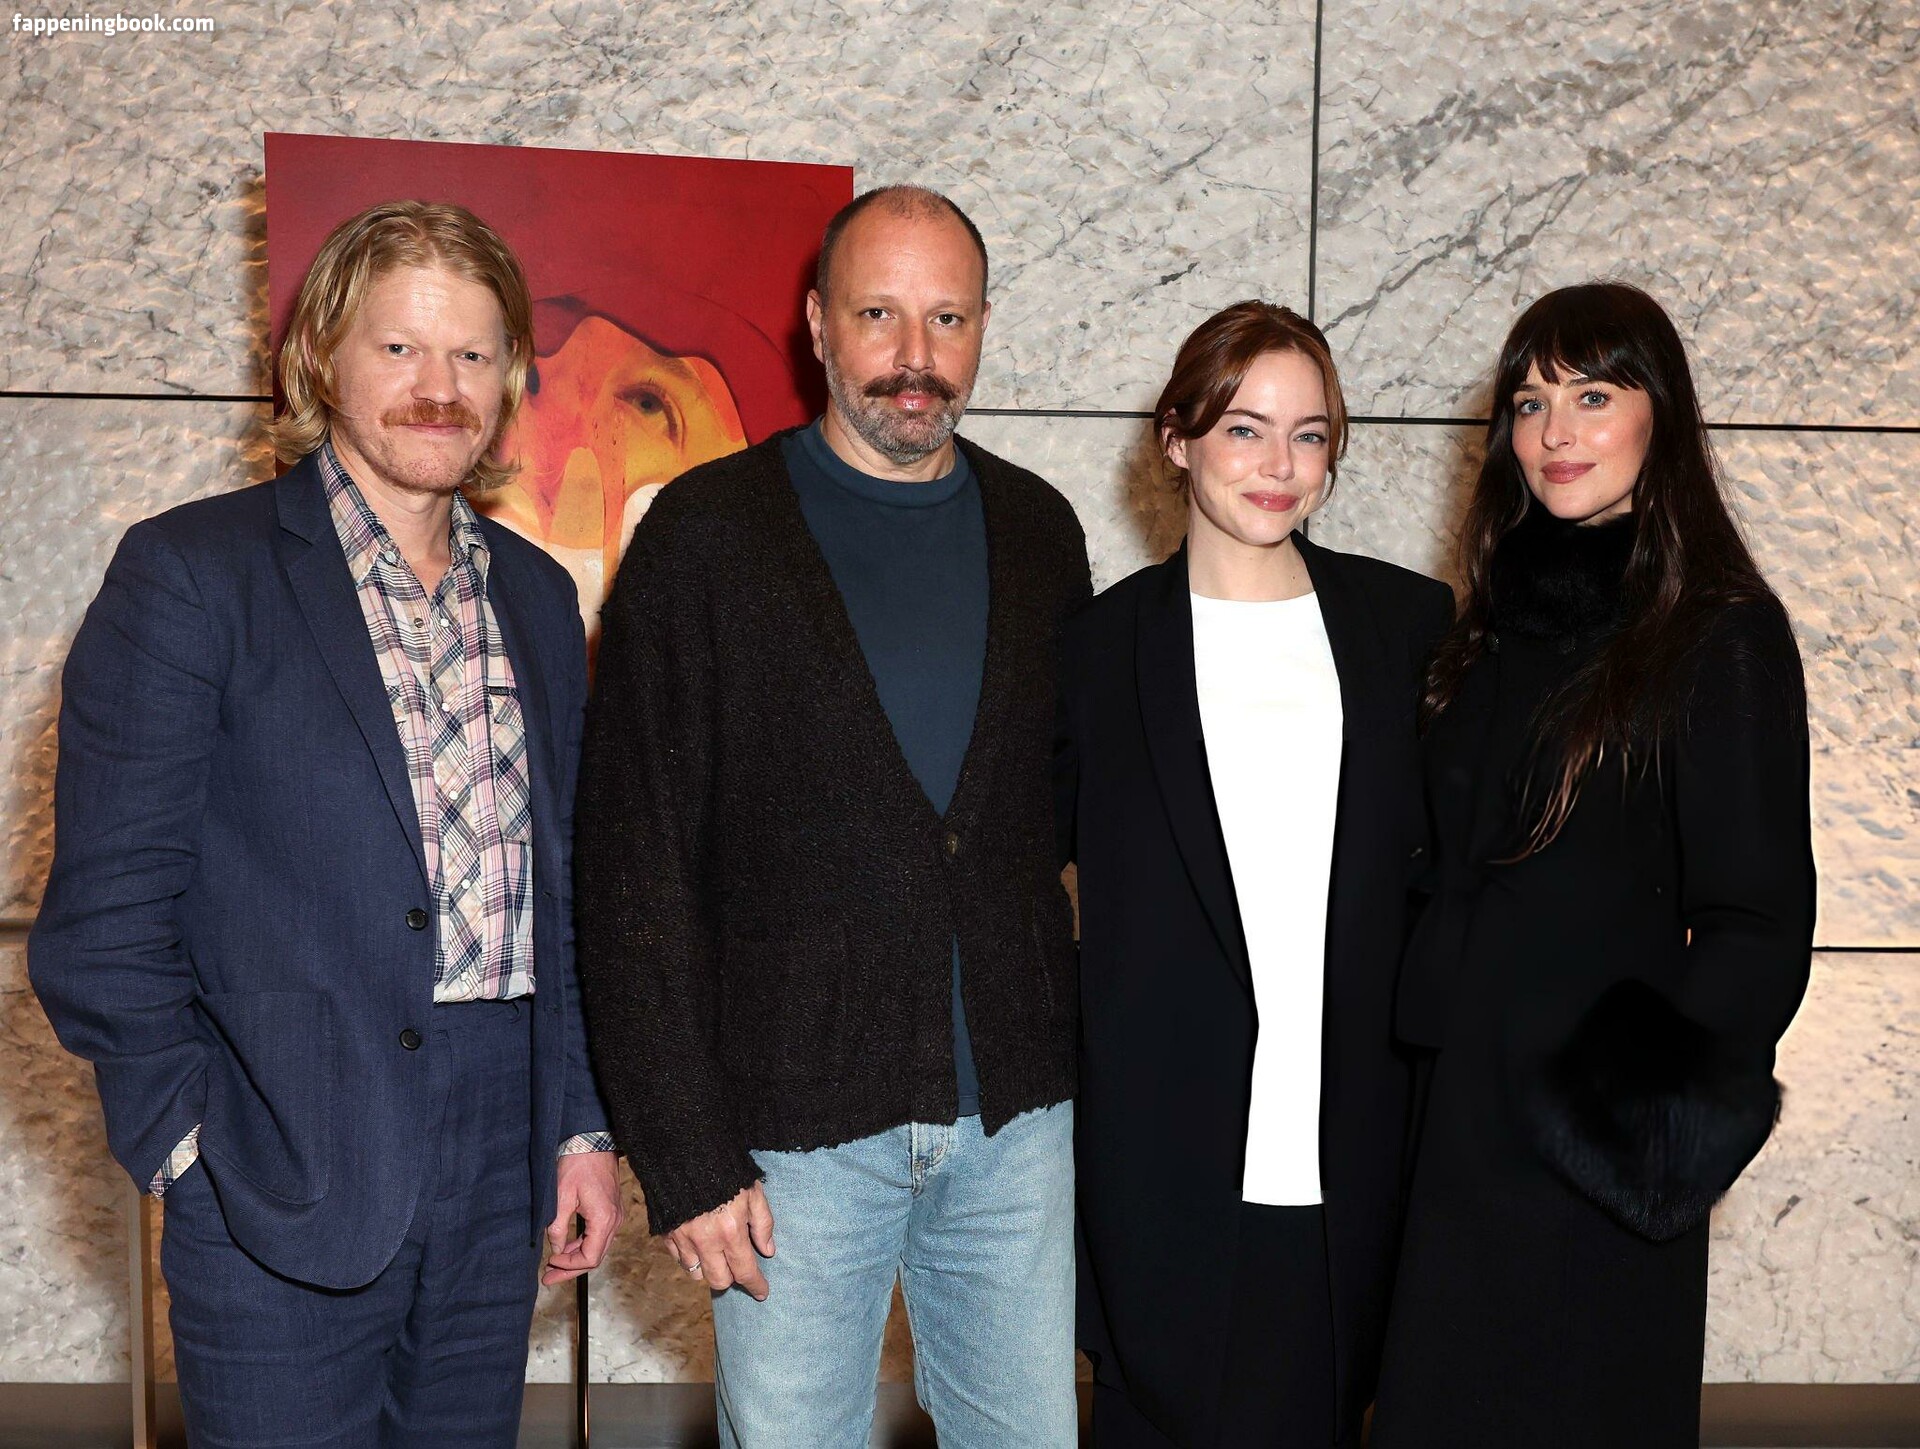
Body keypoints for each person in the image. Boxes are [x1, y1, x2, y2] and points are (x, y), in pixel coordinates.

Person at [28, 200, 620, 1448]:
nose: (439, 388)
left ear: (510, 376)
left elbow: (562, 891)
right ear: (321, 359)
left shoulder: (534, 593)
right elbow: (105, 918)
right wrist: (187, 1147)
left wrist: (577, 1125)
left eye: (471, 354)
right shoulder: (194, 574)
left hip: (500, 1153)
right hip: (279, 1153)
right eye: (399, 348)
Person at [574, 185, 1091, 1447]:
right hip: (789, 1140)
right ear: (816, 324)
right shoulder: (706, 537)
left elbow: (1065, 820)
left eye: (947, 318)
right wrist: (686, 1155)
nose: (915, 356)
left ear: (982, 327)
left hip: (1015, 1127)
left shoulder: (1041, 531)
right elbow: (631, 870)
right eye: (877, 315)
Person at [1369, 282, 1816, 1448]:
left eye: (1593, 396)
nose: (1554, 432)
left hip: (1587, 1151)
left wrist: (1626, 1136)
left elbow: (1759, 922)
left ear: (1660, 416)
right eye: (1529, 402)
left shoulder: (1717, 631)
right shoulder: (1484, 629)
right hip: (1448, 1122)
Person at [1057, 300, 1454, 1448]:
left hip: (1351, 1172)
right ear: (1176, 439)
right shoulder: (1096, 653)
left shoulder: (1410, 628)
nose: (1280, 465)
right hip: (1156, 1182)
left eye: (1309, 434)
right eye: (1244, 428)